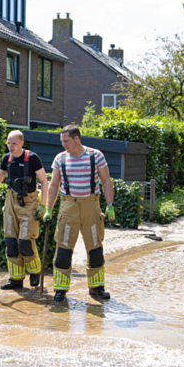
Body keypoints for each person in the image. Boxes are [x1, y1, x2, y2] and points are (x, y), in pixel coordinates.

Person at [44, 125, 116, 302]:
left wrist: (110, 205)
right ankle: (60, 289)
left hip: (91, 205)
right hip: (68, 207)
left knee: (95, 249)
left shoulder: (96, 155)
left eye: (66, 141)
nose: (64, 145)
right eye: (62, 142)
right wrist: (48, 208)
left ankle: (96, 288)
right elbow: (53, 185)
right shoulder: (60, 159)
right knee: (64, 249)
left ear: (77, 139)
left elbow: (106, 181)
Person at [0, 130, 49, 289]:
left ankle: (35, 271)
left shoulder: (32, 158)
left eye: (14, 143)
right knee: (10, 242)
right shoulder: (6, 159)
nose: (10, 146)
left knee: (25, 242)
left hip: (29, 201)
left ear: (22, 143)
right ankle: (16, 280)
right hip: (11, 200)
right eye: (8, 143)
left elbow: (44, 181)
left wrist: (43, 205)